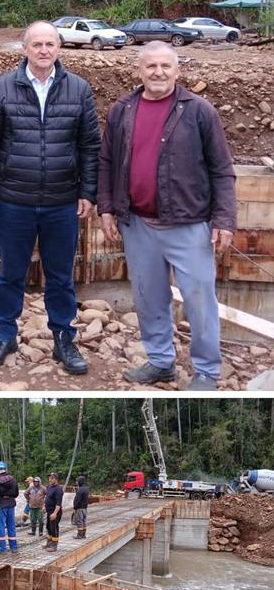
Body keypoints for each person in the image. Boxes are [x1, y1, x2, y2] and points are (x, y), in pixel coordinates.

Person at [97, 41, 236, 391]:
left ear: (178, 70)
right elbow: (107, 163)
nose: (158, 72)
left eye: (165, 66)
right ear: (138, 71)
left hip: (188, 225)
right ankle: (161, 362)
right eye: (151, 66)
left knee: (200, 300)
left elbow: (221, 169)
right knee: (148, 297)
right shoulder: (122, 110)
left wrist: (223, 220)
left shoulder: (199, 111)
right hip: (138, 223)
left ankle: (206, 371)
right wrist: (107, 208)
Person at [0, 20, 101, 374]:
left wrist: (89, 191)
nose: (44, 50)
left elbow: (90, 146)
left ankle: (63, 338)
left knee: (60, 276)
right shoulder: (2, 89)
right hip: (14, 202)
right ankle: (4, 336)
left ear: (59, 48)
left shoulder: (79, 90)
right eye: (37, 44)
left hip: (62, 202)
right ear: (24, 49)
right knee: (10, 274)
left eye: (50, 44)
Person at [0, 461, 19, 554]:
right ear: (5, 470)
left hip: (1, 506)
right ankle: (14, 547)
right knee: (11, 526)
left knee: (0, 526)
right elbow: (16, 493)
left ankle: (3, 549)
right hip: (11, 504)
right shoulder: (13, 480)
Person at [44, 472, 63, 552]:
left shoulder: (58, 489)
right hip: (49, 511)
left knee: (54, 528)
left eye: (52, 478)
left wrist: (55, 513)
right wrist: (44, 507)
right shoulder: (48, 487)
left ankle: (54, 545)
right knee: (48, 527)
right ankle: (49, 543)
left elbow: (58, 503)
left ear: (56, 479)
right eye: (49, 478)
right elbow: (47, 498)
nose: (50, 479)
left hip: (55, 512)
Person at [73, 475, 89, 539]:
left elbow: (78, 500)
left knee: (79, 521)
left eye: (77, 481)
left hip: (80, 509)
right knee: (84, 521)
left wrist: (75, 507)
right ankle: (83, 534)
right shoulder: (86, 489)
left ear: (80, 481)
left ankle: (79, 535)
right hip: (85, 508)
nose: (76, 482)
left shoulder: (80, 490)